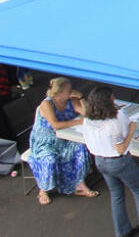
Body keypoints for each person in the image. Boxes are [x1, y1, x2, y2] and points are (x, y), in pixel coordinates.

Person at [80, 87, 139, 237]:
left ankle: (122, 231)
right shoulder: (115, 120)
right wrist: (132, 130)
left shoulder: (88, 119)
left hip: (100, 160)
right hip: (119, 161)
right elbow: (120, 148)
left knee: (116, 195)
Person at [28, 78, 94, 206]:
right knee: (49, 158)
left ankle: (80, 184)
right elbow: (56, 125)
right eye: (69, 89)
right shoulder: (47, 104)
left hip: (65, 137)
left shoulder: (71, 99)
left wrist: (81, 97)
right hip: (46, 141)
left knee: (81, 147)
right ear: (61, 92)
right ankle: (43, 189)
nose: (72, 91)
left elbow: (87, 113)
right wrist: (78, 122)